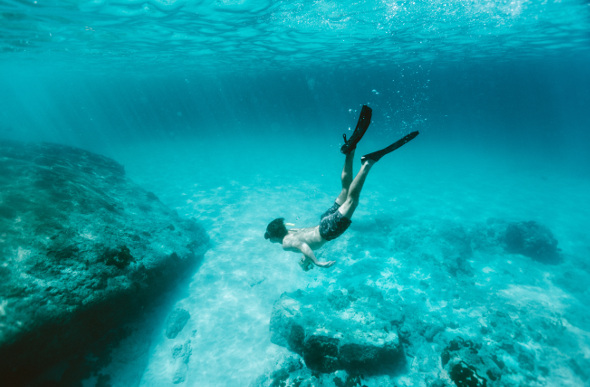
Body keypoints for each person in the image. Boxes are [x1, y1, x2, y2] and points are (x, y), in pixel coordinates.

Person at [264, 105, 419, 270]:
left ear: (276, 236)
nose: (269, 240)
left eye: (269, 237)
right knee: (345, 190)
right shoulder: (290, 232)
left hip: (327, 230)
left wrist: (316, 261)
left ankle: (367, 163)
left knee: (352, 201)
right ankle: (349, 153)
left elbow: (303, 246)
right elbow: (302, 242)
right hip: (324, 221)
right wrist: (305, 261)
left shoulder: (285, 243)